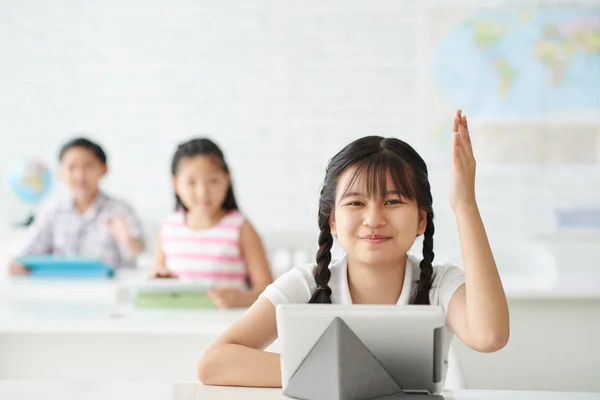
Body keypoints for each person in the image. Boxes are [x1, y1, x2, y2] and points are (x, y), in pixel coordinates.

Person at [197, 110, 510, 387]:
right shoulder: (307, 284)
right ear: (332, 220)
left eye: (393, 202)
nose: (373, 219)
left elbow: (490, 336)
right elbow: (215, 363)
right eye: (356, 203)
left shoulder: (440, 285)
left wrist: (465, 205)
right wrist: (347, 374)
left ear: (421, 220)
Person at [152, 138, 274, 308]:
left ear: (227, 179)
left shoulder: (240, 227)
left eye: (213, 181)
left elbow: (269, 290)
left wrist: (242, 299)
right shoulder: (169, 227)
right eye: (191, 182)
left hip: (228, 326)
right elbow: (157, 276)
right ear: (175, 184)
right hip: (178, 324)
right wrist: (160, 280)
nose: (203, 192)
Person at [9, 137, 145, 274]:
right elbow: (31, 252)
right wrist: (18, 264)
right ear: (61, 172)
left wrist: (127, 239)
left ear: (104, 169)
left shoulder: (119, 210)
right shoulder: (52, 209)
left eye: (88, 166)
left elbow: (136, 252)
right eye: (72, 167)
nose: (80, 176)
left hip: (105, 291)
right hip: (59, 289)